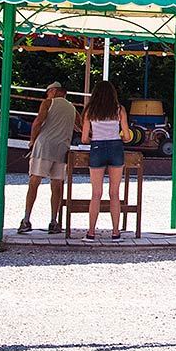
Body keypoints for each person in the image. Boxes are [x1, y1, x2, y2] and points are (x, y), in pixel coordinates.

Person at [20, 82, 77, 235]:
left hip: (44, 146)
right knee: (57, 185)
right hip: (62, 148)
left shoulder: (48, 103)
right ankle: (54, 221)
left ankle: (26, 219)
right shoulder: (72, 108)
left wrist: (32, 141)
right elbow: (80, 127)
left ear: (53, 91)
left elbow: (38, 121)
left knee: (34, 182)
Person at [82, 80, 131, 240]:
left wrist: (93, 139)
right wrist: (122, 138)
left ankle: (91, 232)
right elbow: (127, 136)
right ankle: (115, 232)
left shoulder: (90, 110)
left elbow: (84, 138)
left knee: (96, 193)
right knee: (114, 193)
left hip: (97, 147)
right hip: (116, 147)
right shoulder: (119, 109)